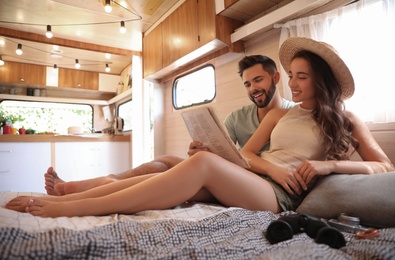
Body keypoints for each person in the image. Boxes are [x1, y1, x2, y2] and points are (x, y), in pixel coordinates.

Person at [5, 37, 393, 218]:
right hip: (258, 178)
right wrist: (270, 165)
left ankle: (67, 208)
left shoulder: (345, 119)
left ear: (321, 80)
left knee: (200, 166)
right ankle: (68, 199)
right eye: (290, 76)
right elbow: (247, 154)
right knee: (178, 166)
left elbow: (384, 169)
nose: (292, 84)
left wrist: (328, 166)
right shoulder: (281, 114)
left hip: (280, 197)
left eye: (301, 77)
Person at [44, 55, 294, 196]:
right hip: (229, 172)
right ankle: (94, 184)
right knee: (161, 162)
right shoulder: (238, 116)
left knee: (162, 170)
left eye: (258, 80)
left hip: (256, 184)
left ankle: (81, 190)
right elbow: (225, 154)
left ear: (275, 77)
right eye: (247, 84)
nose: (253, 89)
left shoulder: (295, 115)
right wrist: (200, 151)